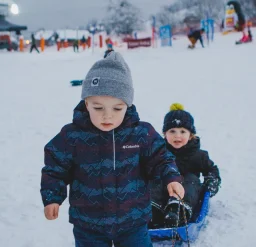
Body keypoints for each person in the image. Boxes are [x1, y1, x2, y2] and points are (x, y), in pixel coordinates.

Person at [40, 52, 185, 247]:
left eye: (117, 109)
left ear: (128, 105)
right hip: (88, 225)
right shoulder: (72, 136)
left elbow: (161, 158)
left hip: (133, 223)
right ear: (86, 103)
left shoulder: (141, 134)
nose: (107, 116)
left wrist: (171, 178)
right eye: (98, 108)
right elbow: (54, 168)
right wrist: (52, 197)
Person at [151, 103, 221, 227]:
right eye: (172, 131)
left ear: (190, 135)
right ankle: (152, 210)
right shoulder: (159, 153)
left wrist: (212, 181)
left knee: (191, 179)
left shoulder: (199, 155)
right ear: (165, 134)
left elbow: (211, 170)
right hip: (165, 189)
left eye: (183, 131)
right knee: (157, 179)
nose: (177, 135)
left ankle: (177, 211)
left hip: (188, 193)